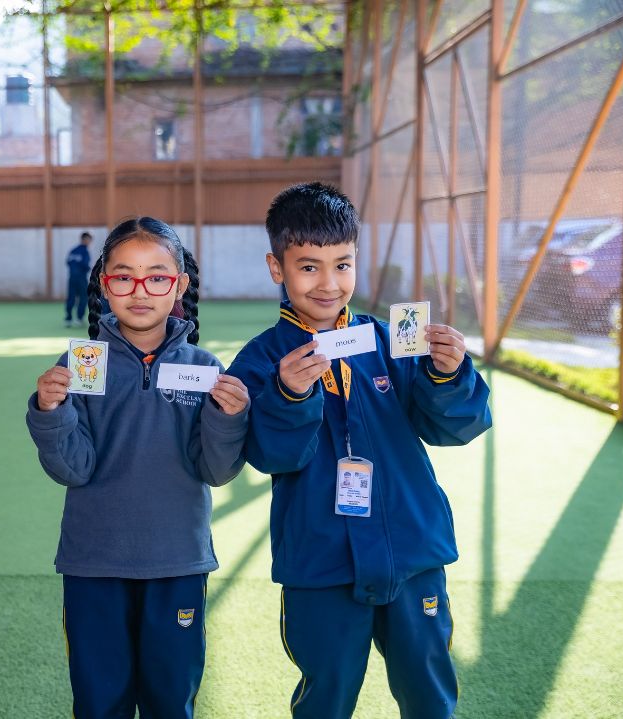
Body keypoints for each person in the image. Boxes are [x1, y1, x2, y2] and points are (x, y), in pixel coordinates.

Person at [226, 183, 491, 719]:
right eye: (308, 267)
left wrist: (449, 374)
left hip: (412, 551)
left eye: (342, 265)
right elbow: (269, 456)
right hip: (320, 562)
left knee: (429, 692)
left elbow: (454, 428)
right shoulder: (260, 361)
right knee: (325, 696)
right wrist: (289, 395)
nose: (329, 283)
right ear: (277, 268)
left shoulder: (394, 340)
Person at [26, 217, 250, 718]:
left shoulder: (205, 368)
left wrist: (228, 418)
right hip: (93, 565)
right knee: (98, 702)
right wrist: (49, 410)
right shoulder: (81, 363)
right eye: (124, 277)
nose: (141, 291)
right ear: (105, 284)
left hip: (178, 564)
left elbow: (216, 470)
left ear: (180, 285)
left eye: (157, 277)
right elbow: (72, 469)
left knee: (171, 701)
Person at [65, 231, 93, 327]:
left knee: (71, 297)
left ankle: (68, 319)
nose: (89, 242)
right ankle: (79, 318)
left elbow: (68, 263)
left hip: (72, 278)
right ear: (85, 239)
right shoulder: (85, 251)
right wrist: (90, 269)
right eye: (89, 240)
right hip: (81, 278)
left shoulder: (73, 250)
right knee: (83, 297)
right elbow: (85, 265)